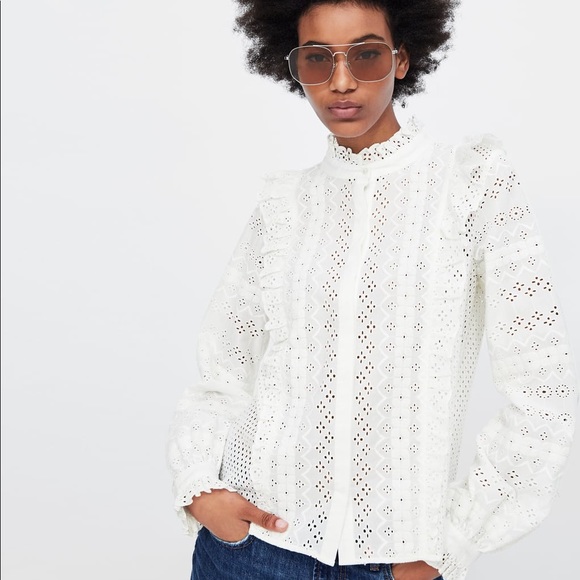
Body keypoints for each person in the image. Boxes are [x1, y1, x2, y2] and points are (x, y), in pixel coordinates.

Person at [166, 1, 578, 579]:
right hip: (248, 550)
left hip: (392, 563)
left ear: (402, 59)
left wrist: (451, 542)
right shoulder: (285, 205)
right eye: (318, 60)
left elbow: (543, 387)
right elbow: (224, 368)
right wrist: (200, 487)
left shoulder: (470, 183)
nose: (341, 82)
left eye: (366, 55)